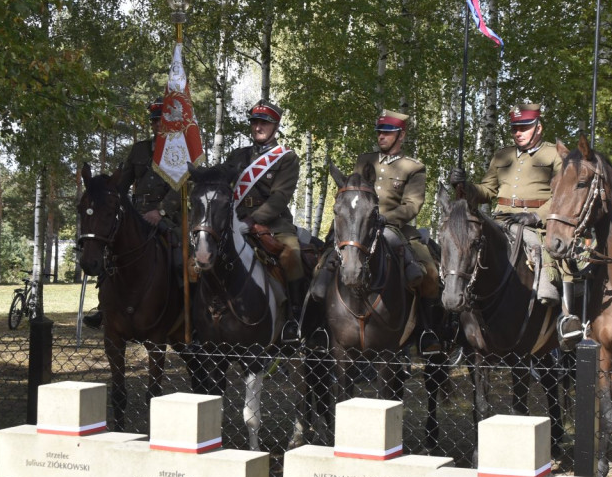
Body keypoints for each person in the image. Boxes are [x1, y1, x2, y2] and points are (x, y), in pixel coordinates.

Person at [309, 108, 440, 352]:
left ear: (400, 135)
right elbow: (351, 198)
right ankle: (319, 329)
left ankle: (427, 332)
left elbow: (412, 206)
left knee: (429, 270)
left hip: (395, 227)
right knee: (323, 264)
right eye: (379, 132)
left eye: (387, 132)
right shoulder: (364, 160)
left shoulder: (413, 167)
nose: (381, 136)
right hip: (358, 228)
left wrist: (381, 218)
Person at [448, 102, 575, 344]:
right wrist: (465, 186)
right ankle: (457, 319)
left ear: (539, 127)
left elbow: (564, 195)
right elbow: (487, 190)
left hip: (536, 223)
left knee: (559, 255)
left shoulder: (555, 154)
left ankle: (567, 318)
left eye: (524, 127)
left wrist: (537, 216)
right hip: (501, 220)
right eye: (515, 127)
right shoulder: (502, 156)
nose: (518, 132)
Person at [84, 99, 182, 329]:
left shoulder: (178, 151)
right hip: (136, 215)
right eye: (154, 121)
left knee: (180, 255)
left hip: (167, 216)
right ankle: (104, 307)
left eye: (162, 121)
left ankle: (186, 308)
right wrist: (105, 195)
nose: (158, 125)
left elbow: (181, 187)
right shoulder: (139, 149)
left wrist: (160, 212)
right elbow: (123, 182)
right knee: (110, 249)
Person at [215, 98, 305, 341]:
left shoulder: (286, 158)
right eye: (255, 122)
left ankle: (294, 319)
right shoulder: (238, 156)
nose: (258, 127)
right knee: (202, 254)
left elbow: (280, 197)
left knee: (292, 255)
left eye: (264, 123)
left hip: (273, 224)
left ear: (275, 126)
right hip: (234, 221)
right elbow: (222, 186)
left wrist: (252, 220)